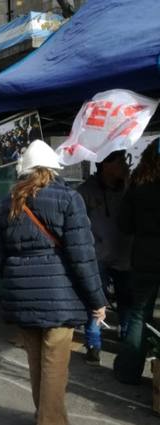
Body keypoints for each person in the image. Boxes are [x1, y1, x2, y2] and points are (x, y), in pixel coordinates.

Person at [0, 140, 107, 425]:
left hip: (22, 297)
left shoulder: (5, 203)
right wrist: (97, 301)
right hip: (59, 297)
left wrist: (14, 275)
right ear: (53, 168)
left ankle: (47, 417)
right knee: (54, 369)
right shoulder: (68, 199)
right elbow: (82, 256)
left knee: (37, 365)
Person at [77, 150, 132, 365]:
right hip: (97, 256)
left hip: (125, 255)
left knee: (127, 302)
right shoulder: (86, 191)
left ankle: (127, 343)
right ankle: (93, 344)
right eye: (120, 161)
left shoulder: (129, 188)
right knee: (96, 301)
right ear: (106, 165)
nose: (126, 165)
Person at [114, 138, 160, 385]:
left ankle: (128, 371)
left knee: (139, 314)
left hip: (144, 256)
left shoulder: (138, 185)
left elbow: (124, 225)